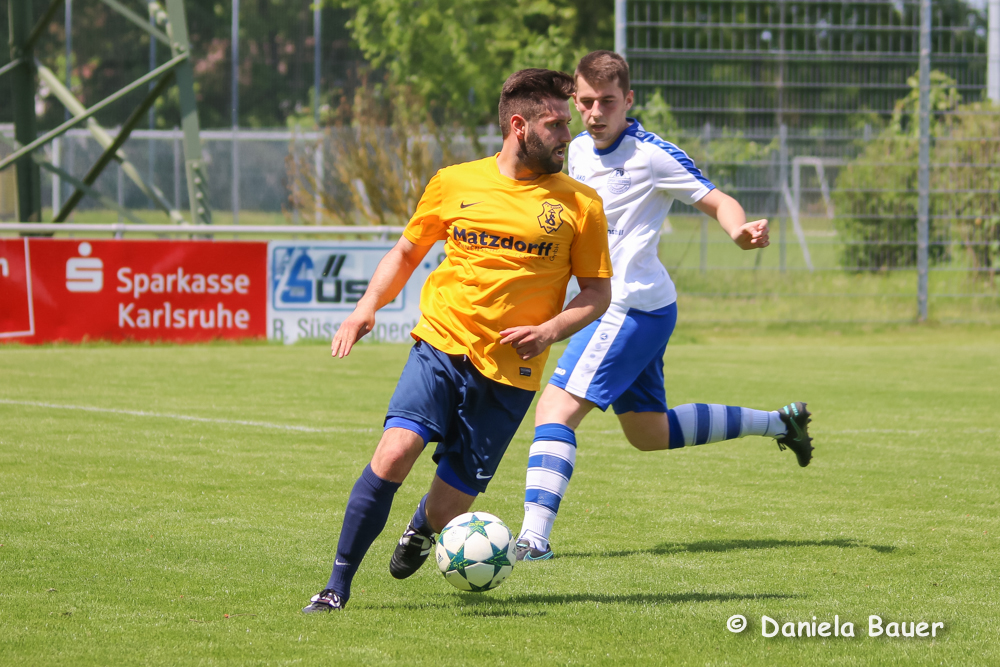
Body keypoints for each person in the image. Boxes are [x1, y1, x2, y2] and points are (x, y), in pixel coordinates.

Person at [303, 68, 613, 612]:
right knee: (394, 452)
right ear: (519, 127)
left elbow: (597, 294)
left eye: (567, 123)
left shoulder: (581, 204)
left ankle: (423, 527)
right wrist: (366, 306)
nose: (569, 134)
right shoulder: (454, 182)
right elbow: (407, 252)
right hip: (441, 346)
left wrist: (549, 330)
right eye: (555, 123)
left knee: (449, 507)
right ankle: (335, 587)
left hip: (510, 373)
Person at [514, 51, 814, 562]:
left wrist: (738, 231)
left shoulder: (651, 155)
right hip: (643, 308)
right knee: (649, 433)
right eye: (585, 101)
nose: (595, 112)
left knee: (555, 408)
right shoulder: (575, 151)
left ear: (628, 100)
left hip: (625, 306)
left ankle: (533, 540)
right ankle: (781, 423)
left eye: (608, 101)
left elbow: (717, 199)